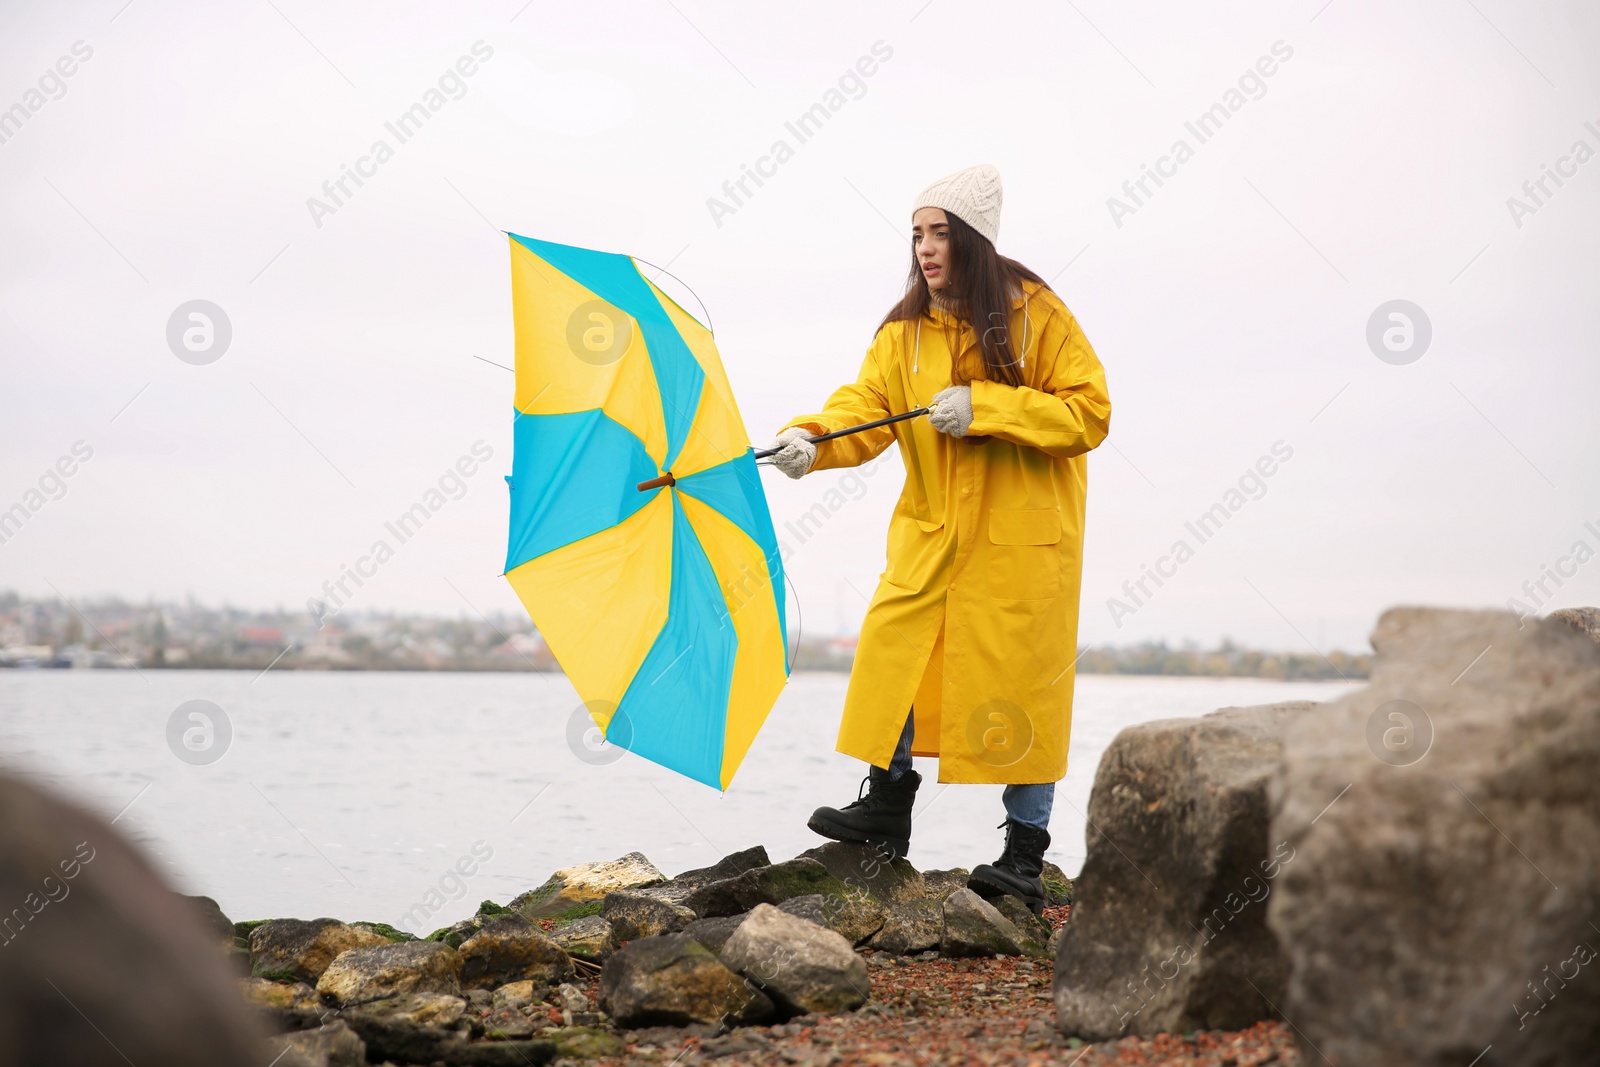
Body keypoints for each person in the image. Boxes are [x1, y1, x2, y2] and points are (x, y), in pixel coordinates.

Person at [766, 163, 1111, 915]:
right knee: (894, 646)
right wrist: (809, 439)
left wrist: (986, 405)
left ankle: (1024, 855)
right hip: (932, 534)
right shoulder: (903, 332)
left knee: (1026, 695)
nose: (925, 248)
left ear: (975, 239)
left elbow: (1089, 414)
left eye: (941, 232)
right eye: (917, 233)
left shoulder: (1038, 315)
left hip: (1022, 549)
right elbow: (867, 407)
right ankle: (888, 807)